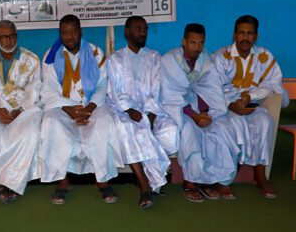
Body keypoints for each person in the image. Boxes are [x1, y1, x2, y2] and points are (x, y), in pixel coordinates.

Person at [38, 14, 119, 205]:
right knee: (50, 123)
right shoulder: (50, 56)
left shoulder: (96, 52)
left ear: (81, 32)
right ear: (60, 34)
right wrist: (70, 110)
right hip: (63, 107)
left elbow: (103, 84)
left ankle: (102, 180)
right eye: (65, 33)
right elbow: (49, 89)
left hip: (92, 105)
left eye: (74, 32)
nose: (70, 37)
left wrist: (89, 108)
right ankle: (63, 181)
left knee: (104, 122)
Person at [160, 23, 240, 202]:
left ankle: (214, 180)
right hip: (180, 111)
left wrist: (206, 114)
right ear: (184, 41)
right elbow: (170, 97)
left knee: (223, 129)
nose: (197, 47)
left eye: (201, 43)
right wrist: (194, 116)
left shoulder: (206, 60)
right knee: (190, 132)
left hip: (204, 111)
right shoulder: (170, 60)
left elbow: (212, 90)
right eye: (193, 42)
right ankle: (190, 183)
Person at [212, 15, 283, 199]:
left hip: (252, 105)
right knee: (230, 126)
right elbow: (211, 88)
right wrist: (231, 105)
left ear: (256, 36)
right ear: (234, 35)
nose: (245, 37)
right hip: (226, 107)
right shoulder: (221, 57)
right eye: (241, 33)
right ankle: (223, 180)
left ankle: (259, 175)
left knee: (264, 121)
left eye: (250, 33)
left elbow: (273, 84)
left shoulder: (264, 56)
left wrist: (250, 96)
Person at [106, 16, 173, 209]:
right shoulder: (115, 59)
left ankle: (152, 177)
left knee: (169, 130)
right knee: (126, 128)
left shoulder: (154, 57)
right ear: (127, 32)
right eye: (138, 28)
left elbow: (157, 88)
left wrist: (150, 113)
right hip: (122, 110)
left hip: (151, 109)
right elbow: (114, 91)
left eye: (145, 29)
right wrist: (129, 110)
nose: (142, 32)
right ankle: (145, 185)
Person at [0, 20, 43, 203]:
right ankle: (1, 181)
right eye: (4, 37)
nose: (9, 40)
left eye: (12, 36)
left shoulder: (32, 60)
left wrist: (18, 111)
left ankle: (7, 182)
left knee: (30, 132)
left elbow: (35, 91)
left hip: (24, 110)